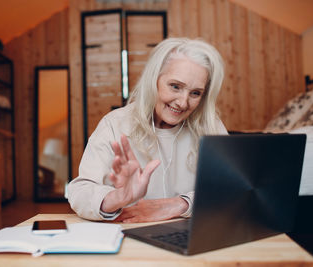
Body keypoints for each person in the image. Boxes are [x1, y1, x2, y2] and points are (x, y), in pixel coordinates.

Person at [68, 37, 228, 223]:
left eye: (195, 93)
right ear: (154, 79)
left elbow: (232, 191)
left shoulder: (211, 126)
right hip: (128, 234)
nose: (183, 102)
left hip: (191, 239)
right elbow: (80, 191)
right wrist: (117, 197)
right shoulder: (114, 124)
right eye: (175, 86)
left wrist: (180, 204)